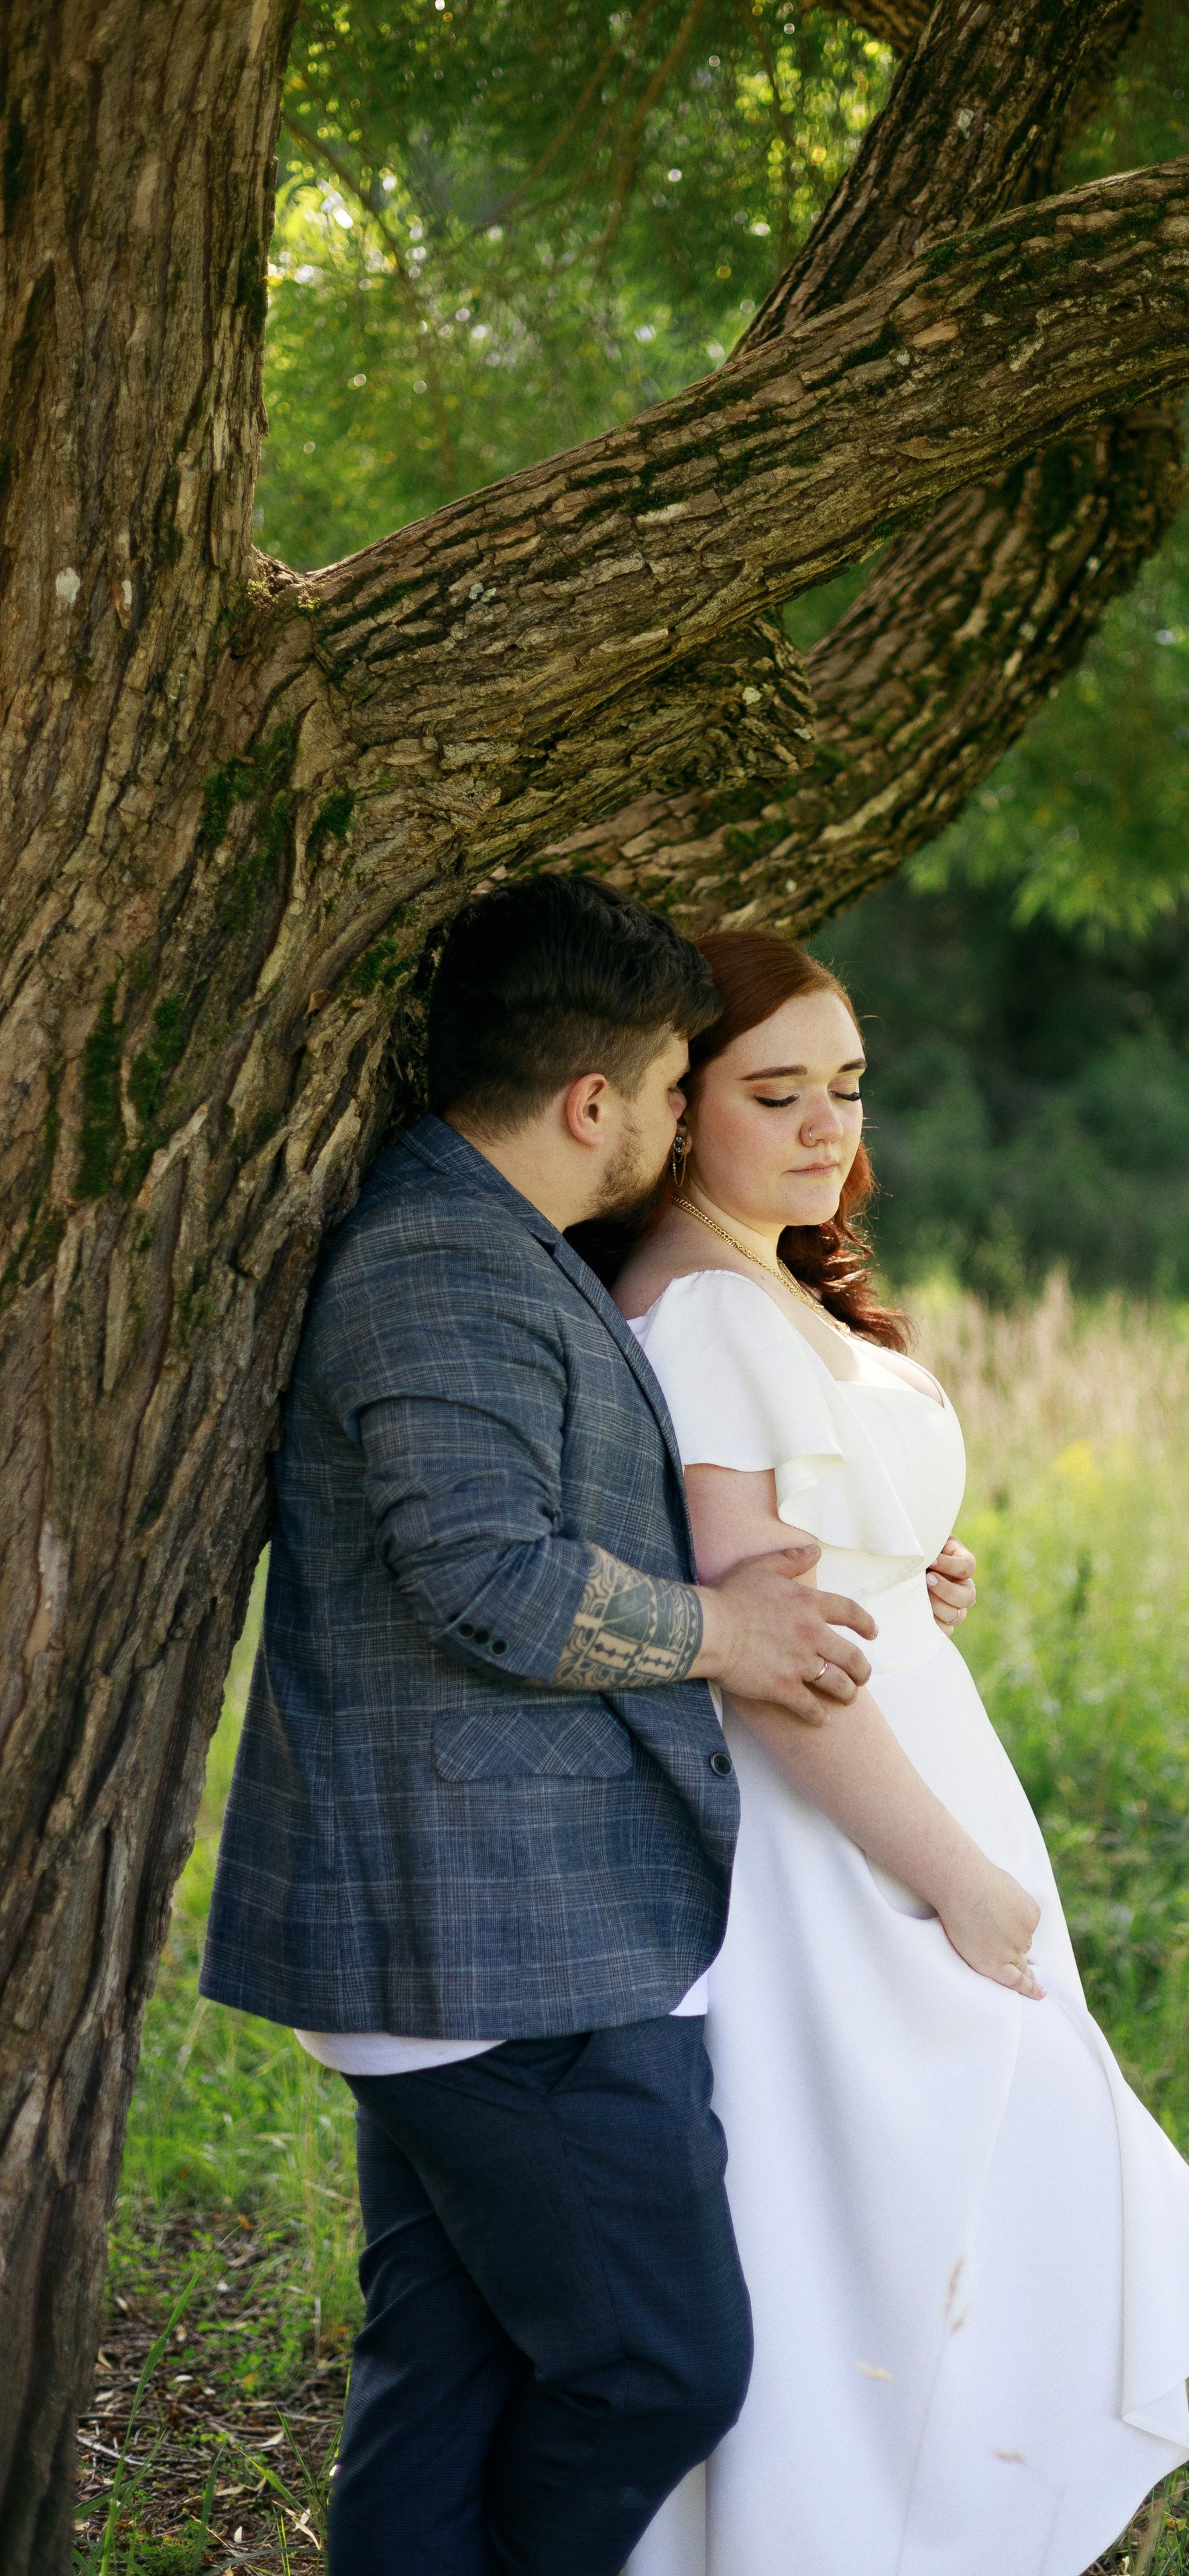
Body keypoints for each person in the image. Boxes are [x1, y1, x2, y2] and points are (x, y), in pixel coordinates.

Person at [199, 877, 885, 2576]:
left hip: (485, 1931)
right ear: (594, 1101)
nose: (675, 1115)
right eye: (671, 1086)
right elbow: (487, 1575)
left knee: (445, 2373)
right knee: (660, 2368)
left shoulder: (490, 1238)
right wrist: (731, 1629)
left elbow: (572, 1508)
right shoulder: (440, 1257)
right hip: (496, 1942)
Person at [606, 931, 1189, 2576]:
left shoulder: (763, 1274)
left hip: (909, 1788)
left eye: (844, 1084)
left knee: (968, 2216)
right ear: (678, 1106)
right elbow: (759, 1668)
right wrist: (956, 1882)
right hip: (844, 1847)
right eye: (777, 1091)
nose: (827, 1124)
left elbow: (802, 1562)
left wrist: (907, 1563)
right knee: (887, 2226)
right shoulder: (698, 1308)